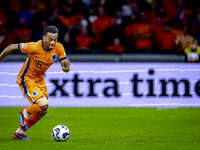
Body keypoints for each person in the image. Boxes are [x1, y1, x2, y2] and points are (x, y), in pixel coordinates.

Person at [0, 25, 70, 140]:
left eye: (55, 39)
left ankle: (19, 132)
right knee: (43, 104)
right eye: (50, 39)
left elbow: (65, 68)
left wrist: (66, 66)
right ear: (44, 37)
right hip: (27, 78)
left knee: (43, 110)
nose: (53, 42)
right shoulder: (34, 47)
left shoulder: (59, 48)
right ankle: (25, 112)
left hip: (39, 79)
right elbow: (12, 47)